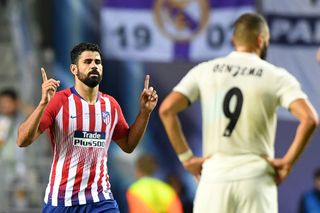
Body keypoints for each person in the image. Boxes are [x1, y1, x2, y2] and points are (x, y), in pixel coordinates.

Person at [159, 12, 319, 213]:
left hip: (214, 178)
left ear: (233, 39)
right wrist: (287, 164)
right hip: (256, 178)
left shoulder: (206, 70)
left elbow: (166, 110)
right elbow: (310, 118)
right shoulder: (275, 76)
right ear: (261, 40)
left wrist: (187, 159)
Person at [17, 42, 158, 212]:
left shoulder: (110, 105)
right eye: (87, 62)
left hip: (101, 200)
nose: (94, 66)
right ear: (73, 69)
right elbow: (22, 140)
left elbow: (128, 145)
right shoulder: (58, 102)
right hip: (63, 201)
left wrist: (145, 113)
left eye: (98, 62)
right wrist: (42, 104)